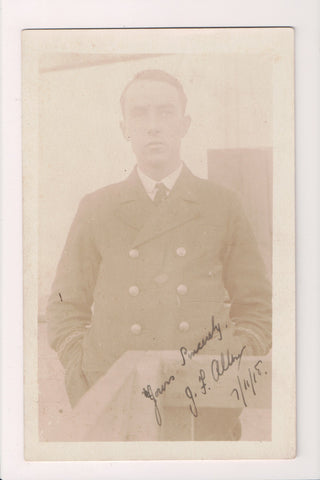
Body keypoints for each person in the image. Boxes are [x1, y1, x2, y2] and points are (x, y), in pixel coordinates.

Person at [46, 69, 272, 440]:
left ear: (184, 124)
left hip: (205, 399)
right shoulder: (97, 208)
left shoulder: (222, 205)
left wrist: (232, 362)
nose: (153, 126)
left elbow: (258, 305)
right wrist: (80, 366)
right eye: (140, 113)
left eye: (165, 112)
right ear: (124, 128)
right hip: (113, 393)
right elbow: (63, 305)